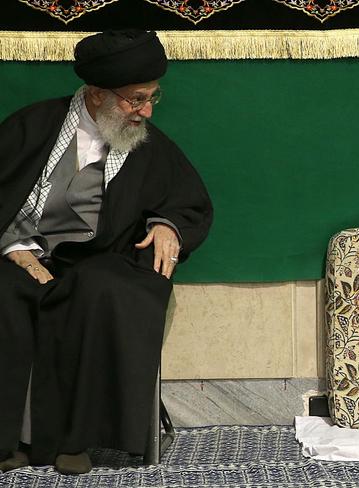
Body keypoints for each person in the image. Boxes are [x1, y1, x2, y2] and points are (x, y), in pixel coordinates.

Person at [0, 30, 212, 474]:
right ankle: (10, 442)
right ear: (97, 95)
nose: (147, 111)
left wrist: (166, 225)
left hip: (98, 261)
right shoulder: (33, 126)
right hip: (17, 251)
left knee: (103, 291)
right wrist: (19, 250)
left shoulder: (148, 145)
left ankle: (75, 440)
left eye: (153, 97)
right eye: (137, 100)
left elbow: (185, 201)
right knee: (5, 294)